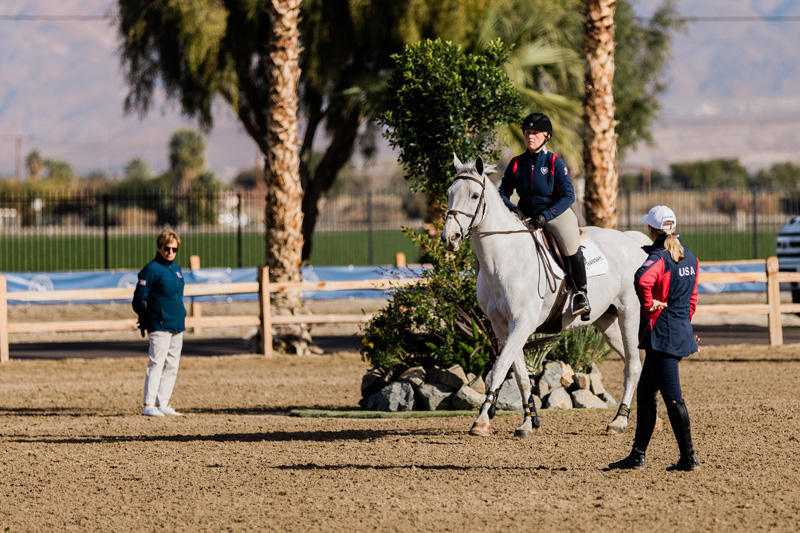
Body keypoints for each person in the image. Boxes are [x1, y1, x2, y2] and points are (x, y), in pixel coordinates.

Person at [609, 205, 700, 471]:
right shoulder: (690, 256)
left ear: (651, 230)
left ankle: (689, 457)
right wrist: (682, 321)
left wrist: (649, 306)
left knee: (673, 398)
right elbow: (692, 300)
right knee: (646, 393)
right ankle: (637, 455)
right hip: (678, 331)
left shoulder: (661, 257)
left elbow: (641, 279)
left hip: (662, 335)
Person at [498, 112, 590, 318]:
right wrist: (513, 209)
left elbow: (569, 195)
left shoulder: (555, 162)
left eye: (535, 133)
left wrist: (546, 216)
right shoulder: (515, 163)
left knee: (570, 244)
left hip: (555, 215)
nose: (530, 136)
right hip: (525, 217)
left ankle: (581, 294)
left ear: (546, 136)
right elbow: (502, 193)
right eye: (527, 132)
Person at [132, 229, 187, 417]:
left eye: (174, 249)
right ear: (159, 247)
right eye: (167, 248)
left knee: (172, 364)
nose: (170, 252)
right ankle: (148, 404)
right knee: (156, 362)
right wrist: (147, 317)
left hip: (177, 324)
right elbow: (139, 299)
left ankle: (162, 402)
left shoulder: (177, 269)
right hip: (159, 324)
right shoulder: (151, 270)